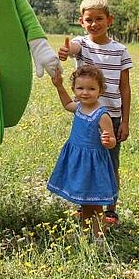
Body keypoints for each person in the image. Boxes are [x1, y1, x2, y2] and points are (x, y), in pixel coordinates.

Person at [57, 0, 132, 225]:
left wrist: (126, 122)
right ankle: (86, 205)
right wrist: (67, 51)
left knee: (110, 164)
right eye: (88, 19)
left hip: (112, 118)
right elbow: (74, 48)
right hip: (87, 118)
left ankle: (110, 209)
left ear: (110, 20)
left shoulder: (120, 51)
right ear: (81, 21)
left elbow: (125, 88)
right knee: (87, 162)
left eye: (99, 19)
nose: (94, 24)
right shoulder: (83, 45)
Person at [47, 65, 118, 239]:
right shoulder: (78, 107)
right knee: (85, 202)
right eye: (80, 88)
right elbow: (66, 104)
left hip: (93, 165)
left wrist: (108, 141)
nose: (85, 93)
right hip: (78, 161)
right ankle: (86, 234)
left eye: (91, 89)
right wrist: (58, 86)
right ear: (74, 89)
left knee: (95, 205)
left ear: (100, 91)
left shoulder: (102, 115)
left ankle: (99, 237)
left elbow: (112, 142)